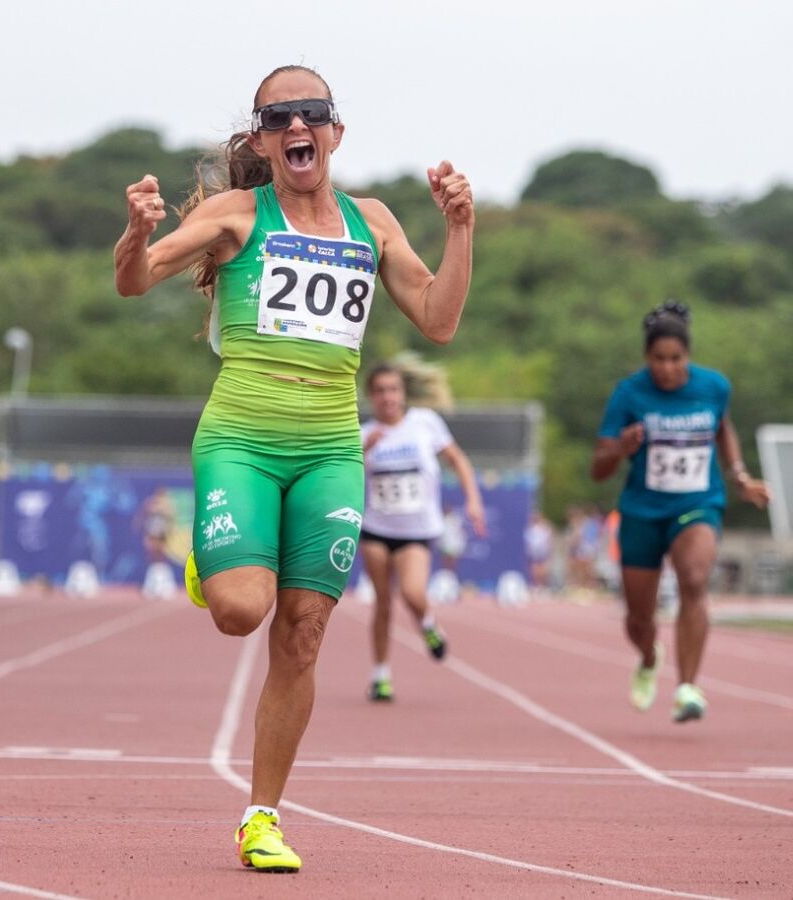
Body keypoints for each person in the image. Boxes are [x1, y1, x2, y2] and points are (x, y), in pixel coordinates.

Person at [114, 65, 473, 872]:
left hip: (330, 450)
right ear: (262, 139)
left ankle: (261, 817)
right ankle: (214, 565)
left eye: (311, 114)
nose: (296, 127)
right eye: (279, 118)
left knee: (304, 634)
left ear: (336, 132)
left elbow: (440, 319)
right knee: (244, 610)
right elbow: (134, 280)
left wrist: (460, 229)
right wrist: (136, 231)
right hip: (241, 435)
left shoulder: (371, 221)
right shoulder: (235, 214)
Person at [592, 300, 770, 723]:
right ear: (646, 357)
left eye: (676, 359)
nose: (668, 368)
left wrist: (740, 476)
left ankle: (688, 688)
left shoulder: (713, 386)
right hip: (642, 512)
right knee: (639, 618)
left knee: (693, 578)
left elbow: (723, 428)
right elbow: (599, 469)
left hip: (697, 503)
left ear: (688, 356)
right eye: (659, 359)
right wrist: (623, 448)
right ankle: (649, 656)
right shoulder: (629, 393)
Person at [359, 362, 486, 701]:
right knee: (382, 603)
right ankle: (380, 675)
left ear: (403, 394)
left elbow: (457, 459)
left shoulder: (425, 423)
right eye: (381, 391)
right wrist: (362, 451)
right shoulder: (362, 433)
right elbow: (343, 475)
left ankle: (428, 625)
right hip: (375, 527)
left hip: (415, 530)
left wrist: (473, 500)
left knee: (413, 593)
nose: (388, 397)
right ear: (371, 397)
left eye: (393, 389)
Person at [524, 509, 556, 592]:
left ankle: (543, 586)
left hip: (542, 550)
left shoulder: (545, 527)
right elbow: (528, 541)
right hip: (534, 551)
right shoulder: (530, 528)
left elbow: (549, 539)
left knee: (543, 569)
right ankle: (536, 585)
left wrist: (550, 550)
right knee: (534, 569)